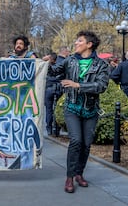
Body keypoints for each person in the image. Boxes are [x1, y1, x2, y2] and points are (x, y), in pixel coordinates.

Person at [48, 30, 109, 193]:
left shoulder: (101, 64)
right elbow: (53, 72)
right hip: (72, 108)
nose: (76, 43)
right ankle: (69, 177)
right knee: (75, 141)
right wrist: (45, 63)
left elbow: (101, 86)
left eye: (79, 41)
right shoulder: (70, 60)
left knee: (86, 144)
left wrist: (78, 85)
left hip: (90, 110)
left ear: (89, 44)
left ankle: (79, 174)